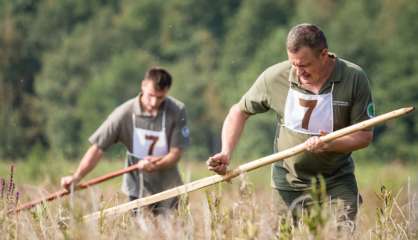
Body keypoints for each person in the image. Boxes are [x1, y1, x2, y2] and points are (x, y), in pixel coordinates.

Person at [207, 23, 374, 222]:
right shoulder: (276, 77)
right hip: (288, 182)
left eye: (304, 65)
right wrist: (226, 152)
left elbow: (364, 136)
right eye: (293, 64)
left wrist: (330, 144)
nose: (298, 71)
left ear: (324, 54)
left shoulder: (354, 78)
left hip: (336, 180)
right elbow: (238, 111)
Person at [61, 67, 190, 214]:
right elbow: (97, 148)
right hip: (137, 188)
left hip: (169, 187)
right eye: (150, 96)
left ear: (167, 92)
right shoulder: (124, 113)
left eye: (160, 97)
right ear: (143, 85)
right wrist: (76, 177)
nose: (154, 102)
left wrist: (156, 164)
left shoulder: (177, 110)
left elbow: (176, 153)